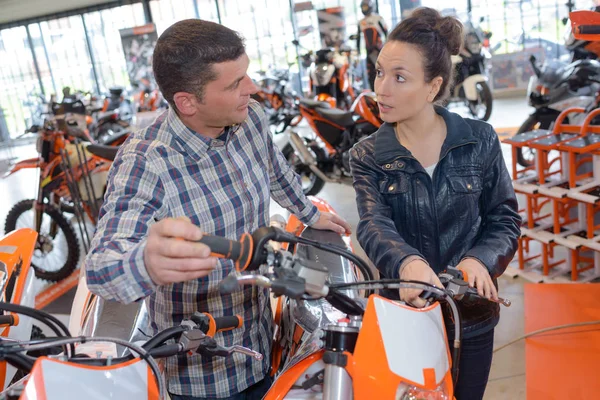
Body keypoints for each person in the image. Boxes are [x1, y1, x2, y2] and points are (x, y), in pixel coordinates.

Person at [84, 19, 351, 400]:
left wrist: (310, 214)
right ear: (187, 102)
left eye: (246, 74)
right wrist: (143, 263)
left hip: (262, 345)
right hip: (201, 377)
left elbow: (275, 170)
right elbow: (100, 267)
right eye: (234, 84)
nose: (253, 88)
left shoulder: (251, 117)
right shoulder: (146, 161)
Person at [349, 8, 520, 400]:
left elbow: (504, 218)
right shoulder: (367, 155)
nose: (382, 88)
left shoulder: (479, 140)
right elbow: (373, 223)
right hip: (404, 316)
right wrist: (408, 264)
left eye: (400, 77)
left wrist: (480, 260)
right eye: (379, 72)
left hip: (472, 313)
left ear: (432, 86)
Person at [356, 0, 388, 91]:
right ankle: (374, 93)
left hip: (378, 50)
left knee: (382, 71)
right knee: (371, 73)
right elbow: (358, 38)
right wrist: (358, 51)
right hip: (368, 51)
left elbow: (386, 33)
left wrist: (387, 47)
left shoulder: (378, 18)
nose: (364, 9)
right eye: (363, 7)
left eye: (366, 7)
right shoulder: (361, 22)